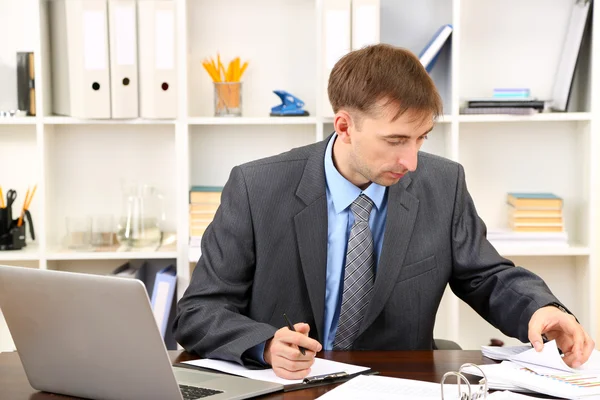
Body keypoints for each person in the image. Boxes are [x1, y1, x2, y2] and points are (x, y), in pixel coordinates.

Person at [173, 43, 595, 379]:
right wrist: (264, 345)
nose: (410, 161)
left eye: (422, 138)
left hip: (397, 383)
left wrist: (540, 309)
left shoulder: (442, 184)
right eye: (395, 141)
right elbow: (198, 312)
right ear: (344, 126)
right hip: (286, 385)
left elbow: (486, 275)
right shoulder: (256, 187)